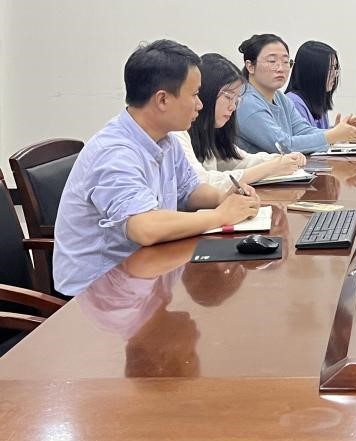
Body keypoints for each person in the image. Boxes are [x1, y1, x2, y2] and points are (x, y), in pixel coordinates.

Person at [53, 40, 262, 296]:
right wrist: (221, 216)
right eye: (194, 94)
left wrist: (225, 198)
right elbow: (145, 227)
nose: (200, 104)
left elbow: (189, 191)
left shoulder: (166, 139)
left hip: (147, 274)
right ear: (162, 99)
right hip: (98, 295)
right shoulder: (115, 152)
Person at [175, 53, 307, 191]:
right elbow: (201, 183)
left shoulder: (211, 131)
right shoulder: (178, 132)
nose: (233, 107)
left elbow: (237, 160)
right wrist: (270, 167)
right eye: (228, 97)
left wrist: (281, 160)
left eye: (237, 99)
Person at [234, 33, 356, 154]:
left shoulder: (280, 97)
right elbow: (284, 146)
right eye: (272, 61)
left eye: (285, 62)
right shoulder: (247, 103)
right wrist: (333, 135)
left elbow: (303, 130)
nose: (281, 68)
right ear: (250, 66)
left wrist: (339, 132)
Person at [286, 40, 341, 129]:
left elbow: (319, 135)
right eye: (331, 68)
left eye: (336, 67)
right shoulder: (294, 102)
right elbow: (306, 136)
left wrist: (339, 131)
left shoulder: (317, 102)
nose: (335, 74)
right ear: (313, 70)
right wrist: (336, 134)